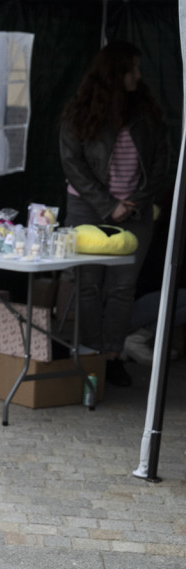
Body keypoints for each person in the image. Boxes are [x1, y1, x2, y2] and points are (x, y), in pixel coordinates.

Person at [60, 40, 169, 387]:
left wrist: (134, 201)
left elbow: (162, 163)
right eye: (132, 69)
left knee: (123, 289)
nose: (139, 74)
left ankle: (112, 356)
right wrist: (109, 205)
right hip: (87, 206)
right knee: (89, 285)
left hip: (134, 209)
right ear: (114, 73)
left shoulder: (147, 113)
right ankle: (90, 354)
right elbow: (72, 163)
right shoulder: (80, 110)